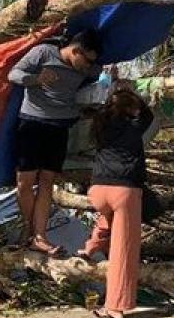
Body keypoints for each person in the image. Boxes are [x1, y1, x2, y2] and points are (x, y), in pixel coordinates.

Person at [7, 29, 103, 256]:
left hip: (60, 127)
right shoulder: (43, 53)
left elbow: (99, 78)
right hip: (32, 123)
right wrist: (35, 79)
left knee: (47, 182)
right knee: (24, 182)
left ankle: (40, 237)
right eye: (87, 61)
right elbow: (13, 74)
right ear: (76, 51)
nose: (88, 67)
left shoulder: (88, 69)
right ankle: (29, 232)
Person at [76, 88, 153, 318]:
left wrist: (115, 96)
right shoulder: (133, 126)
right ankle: (114, 307)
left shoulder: (100, 125)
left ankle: (89, 248)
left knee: (108, 216)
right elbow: (148, 115)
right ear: (129, 108)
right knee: (124, 252)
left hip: (98, 189)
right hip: (124, 190)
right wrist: (134, 94)